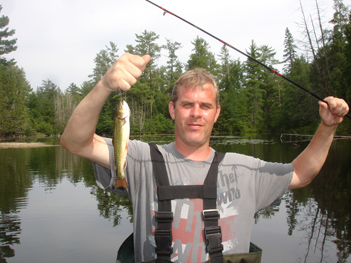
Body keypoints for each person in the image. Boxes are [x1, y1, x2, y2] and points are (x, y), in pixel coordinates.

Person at [61, 53, 349, 263]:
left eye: (205, 106)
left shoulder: (245, 169)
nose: (196, 113)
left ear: (217, 113)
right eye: (187, 104)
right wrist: (104, 85)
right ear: (173, 110)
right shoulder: (138, 159)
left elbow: (302, 173)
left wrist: (327, 127)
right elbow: (75, 142)